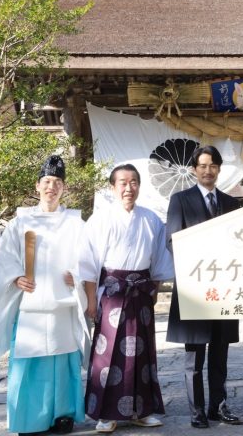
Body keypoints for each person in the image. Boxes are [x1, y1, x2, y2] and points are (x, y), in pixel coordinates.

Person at [0, 155, 89, 436]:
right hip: (30, 306)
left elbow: (88, 259)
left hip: (62, 304)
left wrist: (76, 275)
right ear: (37, 186)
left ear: (63, 188)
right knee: (28, 363)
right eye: (46, 181)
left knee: (63, 360)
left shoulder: (75, 223)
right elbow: (5, 258)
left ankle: (63, 415)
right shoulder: (21, 221)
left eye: (57, 182)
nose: (51, 187)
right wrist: (16, 277)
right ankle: (28, 418)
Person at [79, 164, 175, 434]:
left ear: (139, 186)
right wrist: (90, 300)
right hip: (112, 291)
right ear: (112, 187)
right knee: (106, 354)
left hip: (141, 291)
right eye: (122, 182)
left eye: (134, 182)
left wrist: (152, 291)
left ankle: (141, 411)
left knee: (142, 354)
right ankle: (105, 414)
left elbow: (160, 262)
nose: (128, 188)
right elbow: (88, 264)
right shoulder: (100, 219)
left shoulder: (151, 219)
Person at [165, 146, 243, 429]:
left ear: (219, 169)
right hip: (194, 290)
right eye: (202, 166)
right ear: (194, 169)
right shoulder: (180, 200)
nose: (207, 170)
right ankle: (196, 410)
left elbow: (240, 245)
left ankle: (218, 407)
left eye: (212, 165)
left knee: (220, 353)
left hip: (224, 291)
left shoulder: (231, 203)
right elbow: (172, 241)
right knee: (194, 356)